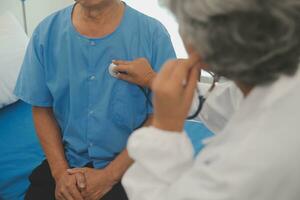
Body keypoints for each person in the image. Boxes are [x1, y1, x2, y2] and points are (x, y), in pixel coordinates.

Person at [112, 0, 300, 199]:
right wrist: (152, 79)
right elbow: (232, 103)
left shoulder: (245, 163)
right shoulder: (279, 86)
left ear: (199, 45)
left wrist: (164, 128)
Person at [14, 0, 176, 199]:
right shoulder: (45, 34)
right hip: (67, 164)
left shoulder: (153, 35)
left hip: (132, 164)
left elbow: (162, 117)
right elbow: (41, 108)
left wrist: (109, 176)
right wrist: (60, 173)